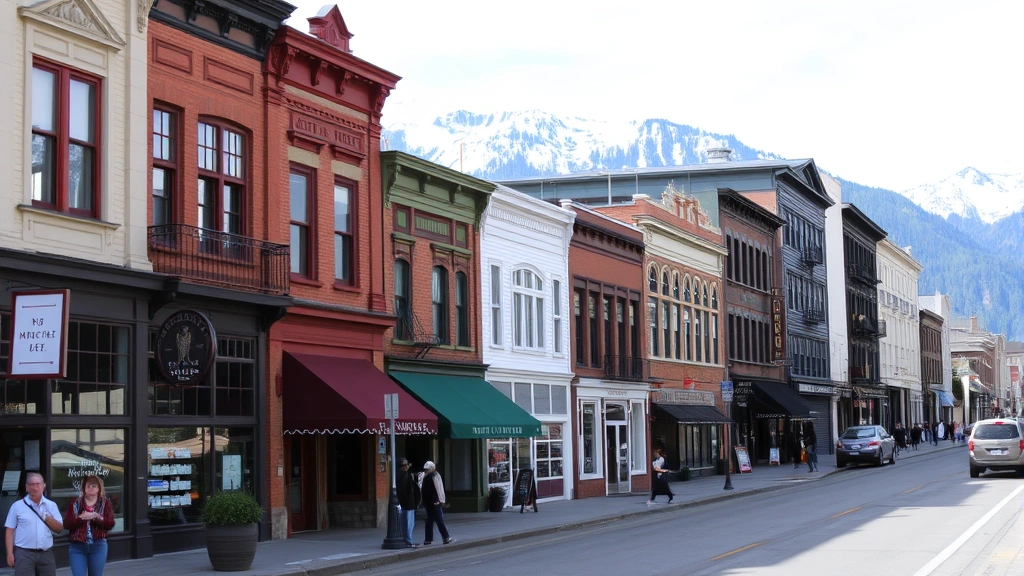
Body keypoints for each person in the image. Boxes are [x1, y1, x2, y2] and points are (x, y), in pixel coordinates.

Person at [5, 472, 64, 576]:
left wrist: (49, 519)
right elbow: (9, 530)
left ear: (43, 485)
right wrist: (9, 554)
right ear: (26, 487)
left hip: (46, 553)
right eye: (32, 484)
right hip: (24, 554)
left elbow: (59, 529)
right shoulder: (17, 506)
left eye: (38, 484)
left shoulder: (51, 505)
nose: (35, 487)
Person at [63, 475, 115, 576]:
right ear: (83, 488)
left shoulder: (105, 504)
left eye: (94, 485)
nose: (91, 488)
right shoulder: (75, 503)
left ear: (99, 488)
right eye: (88, 485)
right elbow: (67, 524)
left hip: (98, 546)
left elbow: (110, 524)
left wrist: (97, 518)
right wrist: (81, 518)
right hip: (77, 547)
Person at [418, 461, 454, 546]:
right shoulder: (435, 475)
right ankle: (446, 537)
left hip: (427, 502)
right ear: (432, 468)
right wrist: (442, 501)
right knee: (439, 520)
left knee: (429, 520)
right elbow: (439, 489)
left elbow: (420, 489)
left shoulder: (423, 476)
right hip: (435, 502)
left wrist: (422, 501)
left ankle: (428, 539)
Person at [395, 458, 421, 549]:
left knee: (407, 523)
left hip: (408, 503)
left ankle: (406, 540)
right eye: (404, 465)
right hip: (408, 503)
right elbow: (406, 491)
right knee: (408, 523)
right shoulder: (403, 476)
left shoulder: (405, 476)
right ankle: (408, 541)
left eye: (407, 464)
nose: (406, 467)